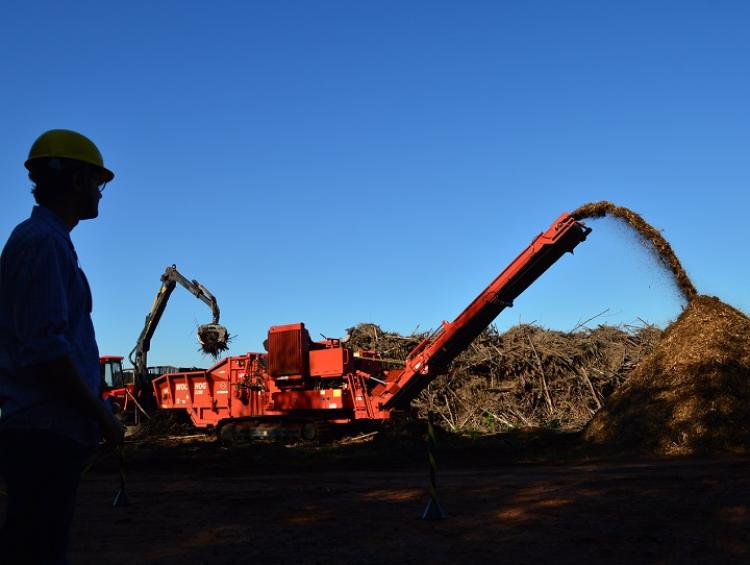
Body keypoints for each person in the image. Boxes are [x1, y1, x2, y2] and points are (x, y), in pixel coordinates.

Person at [0, 129, 125, 564]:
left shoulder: (50, 244)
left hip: (50, 432)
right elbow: (47, 352)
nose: (101, 194)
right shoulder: (42, 243)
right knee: (36, 550)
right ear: (76, 182)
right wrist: (100, 416)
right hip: (45, 435)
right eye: (98, 183)